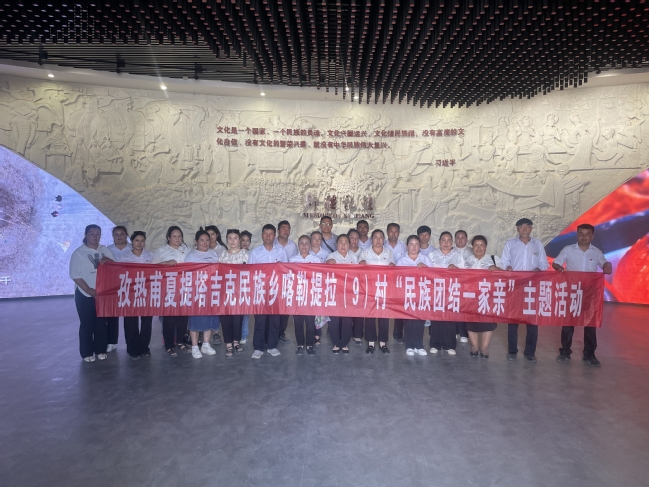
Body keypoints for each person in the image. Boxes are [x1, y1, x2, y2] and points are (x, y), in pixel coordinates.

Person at [553, 223, 612, 367]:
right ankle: (565, 352)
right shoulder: (568, 249)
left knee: (590, 325)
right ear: (577, 234)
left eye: (587, 234)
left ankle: (590, 354)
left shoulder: (596, 252)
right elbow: (556, 263)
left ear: (592, 236)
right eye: (581, 233)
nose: (584, 237)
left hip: (590, 294)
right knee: (568, 324)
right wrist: (559, 268)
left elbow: (605, 264)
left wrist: (607, 266)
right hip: (572, 292)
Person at [501, 218, 549, 363]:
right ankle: (512, 351)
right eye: (521, 227)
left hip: (532, 287)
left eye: (527, 226)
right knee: (513, 320)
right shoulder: (510, 244)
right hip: (515, 286)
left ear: (531, 229)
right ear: (517, 229)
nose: (524, 229)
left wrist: (539, 268)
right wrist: (507, 267)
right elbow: (504, 261)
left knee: (532, 320)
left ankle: (530, 352)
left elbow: (544, 263)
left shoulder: (537, 244)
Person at [69, 224, 115, 362]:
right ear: (86, 235)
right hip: (84, 294)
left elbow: (116, 268)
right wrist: (88, 289)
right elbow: (75, 275)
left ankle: (100, 350)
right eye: (92, 233)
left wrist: (110, 261)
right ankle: (86, 353)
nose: (95, 236)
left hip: (102, 294)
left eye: (98, 234)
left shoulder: (105, 250)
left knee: (101, 323)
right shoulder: (79, 253)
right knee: (87, 323)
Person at [248, 223, 287, 359]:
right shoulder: (255, 252)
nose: (268, 236)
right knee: (260, 320)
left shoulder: (281, 251)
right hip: (260, 292)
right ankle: (258, 348)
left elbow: (285, 270)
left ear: (275, 236)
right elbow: (250, 272)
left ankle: (272, 346)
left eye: (271, 234)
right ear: (262, 235)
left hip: (276, 292)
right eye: (266, 234)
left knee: (275, 321)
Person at [152, 225, 192, 357]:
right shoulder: (161, 251)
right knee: (169, 319)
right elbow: (151, 268)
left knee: (183, 318)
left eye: (179, 236)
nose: (177, 238)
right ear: (168, 237)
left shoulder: (187, 250)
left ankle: (180, 342)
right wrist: (165, 264)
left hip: (184, 288)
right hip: (168, 289)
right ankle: (169, 345)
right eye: (174, 236)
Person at [116, 230, 153, 359]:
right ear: (132, 241)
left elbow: (157, 270)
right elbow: (118, 273)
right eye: (137, 240)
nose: (139, 243)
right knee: (130, 322)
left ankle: (144, 348)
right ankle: (132, 349)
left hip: (147, 292)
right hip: (130, 293)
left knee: (146, 322)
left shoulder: (150, 255)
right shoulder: (124, 257)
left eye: (142, 240)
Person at [183, 229, 220, 359]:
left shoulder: (213, 254)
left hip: (211, 290)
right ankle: (194, 346)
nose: (205, 243)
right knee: (196, 318)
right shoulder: (191, 255)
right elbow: (187, 274)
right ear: (196, 241)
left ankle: (206, 344)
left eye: (207, 240)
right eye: (202, 240)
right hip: (197, 291)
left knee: (209, 317)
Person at [464, 235, 502, 358]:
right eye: (476, 245)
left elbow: (505, 274)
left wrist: (497, 269)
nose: (479, 248)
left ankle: (484, 348)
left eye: (482, 245)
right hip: (470, 296)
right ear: (472, 247)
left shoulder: (494, 259)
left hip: (488, 296)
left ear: (486, 247)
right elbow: (459, 275)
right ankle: (475, 346)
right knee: (471, 322)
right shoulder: (466, 260)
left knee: (488, 322)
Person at [359, 229, 395, 354]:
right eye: (375, 237)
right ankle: (371, 342)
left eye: (380, 237)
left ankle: (383, 342)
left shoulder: (389, 253)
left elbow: (394, 270)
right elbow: (359, 271)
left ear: (383, 239)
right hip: (370, 289)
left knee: (384, 316)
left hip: (384, 289)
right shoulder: (365, 253)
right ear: (371, 239)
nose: (378, 240)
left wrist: (392, 266)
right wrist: (361, 263)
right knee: (370, 315)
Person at [429, 231, 465, 355]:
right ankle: (435, 344)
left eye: (449, 240)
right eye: (443, 240)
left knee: (450, 318)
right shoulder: (432, 255)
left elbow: (465, 273)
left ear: (452, 242)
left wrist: (456, 269)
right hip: (436, 291)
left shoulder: (458, 255)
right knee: (436, 318)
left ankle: (449, 345)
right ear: (439, 241)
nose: (446, 243)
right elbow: (427, 273)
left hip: (451, 291)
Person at [396, 235, 432, 356]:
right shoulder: (401, 261)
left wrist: (426, 269)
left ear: (420, 246)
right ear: (407, 246)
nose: (414, 247)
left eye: (416, 244)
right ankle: (409, 345)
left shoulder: (425, 259)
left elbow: (434, 276)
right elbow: (397, 279)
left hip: (422, 295)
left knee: (419, 320)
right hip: (407, 295)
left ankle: (419, 345)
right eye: (411, 244)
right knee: (408, 320)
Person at [219, 229, 249, 357]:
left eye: (235, 238)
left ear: (239, 240)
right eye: (230, 238)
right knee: (226, 318)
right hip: (225, 292)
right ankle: (228, 344)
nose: (232, 241)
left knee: (238, 318)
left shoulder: (245, 254)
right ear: (226, 240)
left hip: (239, 291)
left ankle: (236, 342)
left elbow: (249, 271)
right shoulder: (222, 255)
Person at [289, 235, 321, 355]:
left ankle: (309, 345)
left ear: (310, 245)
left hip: (311, 295)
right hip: (297, 296)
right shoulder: (292, 260)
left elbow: (319, 277)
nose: (304, 246)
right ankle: (300, 345)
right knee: (298, 322)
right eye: (301, 243)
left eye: (307, 243)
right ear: (298, 245)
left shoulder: (316, 260)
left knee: (310, 322)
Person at [326, 234, 358, 353]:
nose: (343, 245)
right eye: (340, 242)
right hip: (334, 293)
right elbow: (325, 273)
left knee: (347, 319)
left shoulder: (353, 257)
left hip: (348, 293)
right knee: (334, 319)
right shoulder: (331, 256)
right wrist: (328, 263)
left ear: (349, 245)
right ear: (336, 244)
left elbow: (358, 274)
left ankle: (344, 343)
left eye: (346, 243)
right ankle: (336, 342)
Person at [106, 225, 131, 352]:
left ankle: (130, 342)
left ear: (126, 235)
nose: (119, 236)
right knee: (112, 315)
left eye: (122, 234)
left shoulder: (133, 248)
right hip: (113, 286)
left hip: (130, 286)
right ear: (113, 236)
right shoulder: (107, 250)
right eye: (116, 234)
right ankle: (112, 341)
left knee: (130, 316)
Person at [385, 223, 407, 343]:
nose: (393, 234)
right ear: (387, 232)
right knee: (383, 306)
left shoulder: (404, 246)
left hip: (400, 282)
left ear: (399, 233)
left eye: (396, 231)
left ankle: (398, 334)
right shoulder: (382, 244)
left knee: (399, 307)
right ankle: (382, 335)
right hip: (385, 281)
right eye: (391, 231)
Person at [275, 220, 296, 343]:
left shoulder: (293, 246)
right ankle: (271, 333)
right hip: (274, 281)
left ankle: (281, 332)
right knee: (273, 307)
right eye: (283, 228)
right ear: (278, 230)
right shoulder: (272, 243)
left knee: (285, 309)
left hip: (288, 281)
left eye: (288, 228)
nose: (286, 230)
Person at [205, 224, 225, 344]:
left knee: (216, 308)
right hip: (204, 283)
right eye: (208, 234)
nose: (211, 237)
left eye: (213, 234)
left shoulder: (222, 249)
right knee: (205, 307)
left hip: (218, 283)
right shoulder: (201, 248)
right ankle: (203, 331)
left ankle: (216, 332)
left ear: (217, 235)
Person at [454, 230, 473, 344]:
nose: (460, 240)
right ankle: (455, 331)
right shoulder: (451, 251)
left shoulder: (472, 251)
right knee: (455, 308)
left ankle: (464, 333)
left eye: (462, 237)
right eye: (458, 237)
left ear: (466, 239)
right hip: (454, 284)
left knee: (465, 309)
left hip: (468, 284)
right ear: (455, 239)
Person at [239, 230, 253, 344]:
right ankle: (235, 335)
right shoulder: (233, 254)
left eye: (247, 241)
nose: (245, 243)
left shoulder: (252, 255)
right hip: (235, 286)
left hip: (247, 286)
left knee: (245, 313)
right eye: (243, 240)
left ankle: (243, 335)